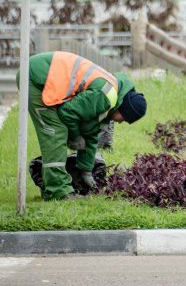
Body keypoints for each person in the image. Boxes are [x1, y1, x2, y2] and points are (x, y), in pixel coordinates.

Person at [21, 51, 147, 200]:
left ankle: (56, 184)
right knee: (55, 132)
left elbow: (91, 132)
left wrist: (86, 170)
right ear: (123, 108)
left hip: (44, 76)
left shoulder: (110, 98)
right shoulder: (105, 95)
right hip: (35, 77)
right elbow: (67, 113)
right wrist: (75, 136)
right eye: (124, 118)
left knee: (60, 130)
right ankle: (58, 192)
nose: (120, 122)